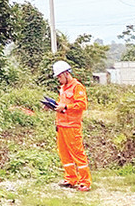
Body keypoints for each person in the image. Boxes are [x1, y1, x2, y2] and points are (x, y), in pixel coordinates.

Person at [52, 60, 92, 191]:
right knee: (64, 154)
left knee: (77, 153)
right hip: (61, 125)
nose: (58, 79)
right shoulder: (63, 88)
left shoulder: (77, 87)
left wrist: (66, 107)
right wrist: (55, 106)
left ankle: (85, 182)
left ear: (66, 74)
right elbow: (62, 104)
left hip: (72, 126)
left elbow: (82, 105)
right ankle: (71, 178)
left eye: (59, 76)